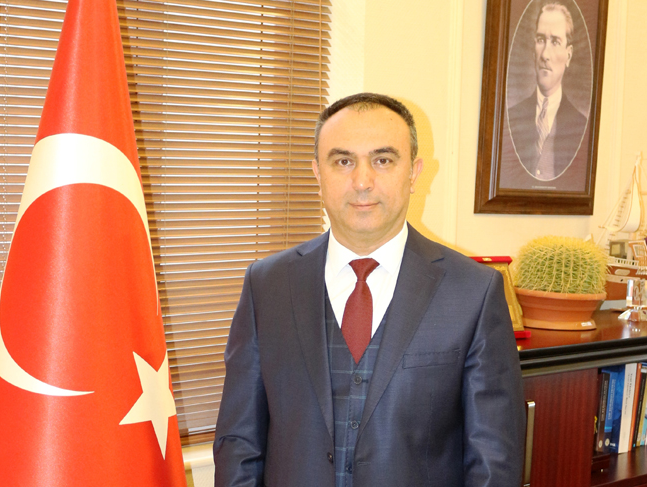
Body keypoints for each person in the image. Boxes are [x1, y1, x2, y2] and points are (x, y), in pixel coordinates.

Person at [214, 93, 525, 487]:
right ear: (317, 173)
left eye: (383, 160)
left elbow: (494, 461)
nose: (362, 182)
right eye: (343, 161)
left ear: (413, 173)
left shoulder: (474, 292)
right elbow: (239, 443)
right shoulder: (266, 285)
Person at [508, 2, 588, 181]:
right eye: (541, 40)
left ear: (568, 55)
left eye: (555, 42)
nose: (545, 54)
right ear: (533, 49)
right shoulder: (510, 119)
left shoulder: (581, 125)